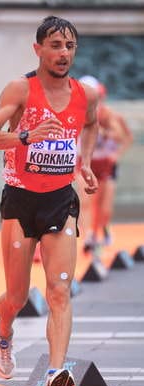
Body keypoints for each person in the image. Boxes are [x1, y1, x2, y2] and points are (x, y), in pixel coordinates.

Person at [0, 16, 99, 386]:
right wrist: (27, 135)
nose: (63, 53)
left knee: (59, 289)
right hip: (20, 200)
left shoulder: (85, 95)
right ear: (38, 50)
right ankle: (4, 329)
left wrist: (86, 163)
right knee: (16, 294)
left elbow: (92, 125)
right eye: (55, 45)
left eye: (69, 46)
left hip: (60, 200)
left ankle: (55, 374)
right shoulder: (21, 89)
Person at [77, 76, 133, 253]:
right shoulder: (76, 114)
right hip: (85, 162)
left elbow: (123, 137)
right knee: (85, 200)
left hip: (106, 163)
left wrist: (105, 134)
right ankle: (88, 238)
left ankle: (103, 227)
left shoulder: (109, 115)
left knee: (104, 207)